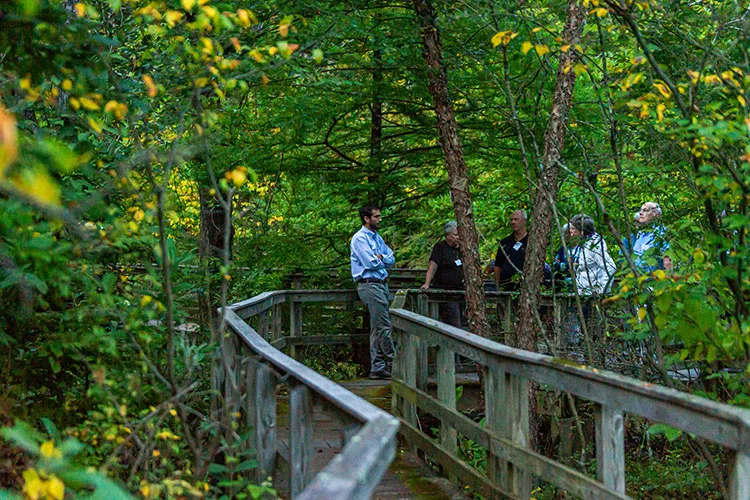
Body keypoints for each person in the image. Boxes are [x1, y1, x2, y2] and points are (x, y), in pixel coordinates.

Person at [350, 205, 396, 380]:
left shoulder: (377, 238)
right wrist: (380, 260)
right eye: (376, 217)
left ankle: (377, 367)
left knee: (377, 327)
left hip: (381, 284)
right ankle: (394, 363)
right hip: (369, 285)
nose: (380, 219)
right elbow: (370, 263)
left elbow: (391, 258)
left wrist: (381, 258)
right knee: (383, 325)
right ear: (366, 219)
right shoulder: (359, 239)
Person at [421, 220, 465, 328]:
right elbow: (433, 266)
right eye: (455, 235)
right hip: (446, 292)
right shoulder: (440, 247)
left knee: (464, 321)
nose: (458, 237)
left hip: (461, 290)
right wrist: (427, 283)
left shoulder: (462, 248)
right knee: (454, 322)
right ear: (448, 235)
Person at [569, 215, 617, 296]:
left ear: (582, 229)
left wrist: (602, 291)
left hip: (592, 297)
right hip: (583, 294)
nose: (571, 231)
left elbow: (610, 267)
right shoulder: (583, 243)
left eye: (573, 228)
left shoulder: (595, 245)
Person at [623, 201, 673, 272]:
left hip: (653, 280)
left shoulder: (661, 233)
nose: (640, 213)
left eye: (645, 210)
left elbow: (667, 259)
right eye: (640, 210)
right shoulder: (638, 234)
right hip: (637, 279)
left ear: (656, 215)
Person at [494, 210, 528, 291]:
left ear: (524, 221)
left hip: (525, 287)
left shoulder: (532, 242)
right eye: (511, 220)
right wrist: (497, 286)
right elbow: (497, 265)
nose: (513, 222)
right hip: (506, 287)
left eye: (516, 219)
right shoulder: (505, 243)